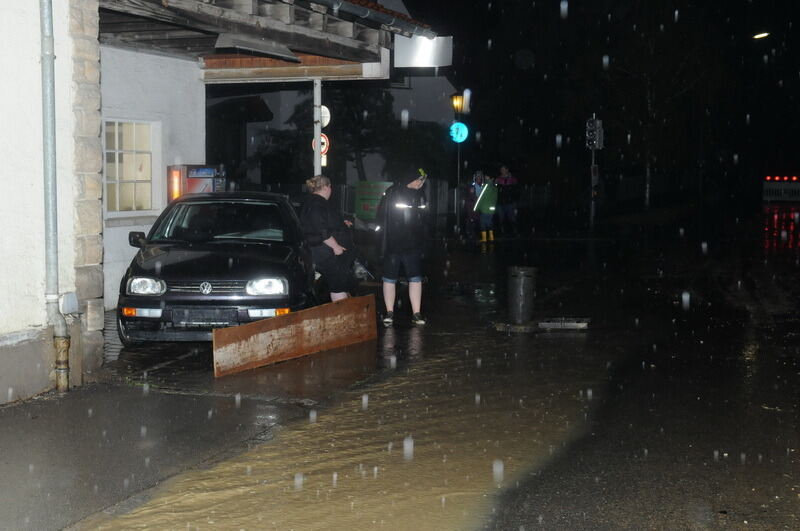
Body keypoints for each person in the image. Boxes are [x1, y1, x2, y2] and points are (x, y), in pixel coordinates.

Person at [376, 168, 428, 325]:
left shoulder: (421, 195)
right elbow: (382, 218)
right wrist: (382, 242)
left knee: (415, 278)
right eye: (420, 179)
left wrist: (423, 242)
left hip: (413, 245)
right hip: (393, 245)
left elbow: (424, 221)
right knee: (389, 279)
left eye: (423, 180)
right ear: (411, 178)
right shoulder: (392, 192)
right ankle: (389, 312)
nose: (421, 183)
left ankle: (416, 313)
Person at [299, 175, 354, 302]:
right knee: (338, 285)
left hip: (320, 249)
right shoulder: (317, 203)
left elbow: (324, 223)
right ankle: (342, 315)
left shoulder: (312, 202)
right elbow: (321, 230)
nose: (331, 190)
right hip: (324, 251)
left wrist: (341, 224)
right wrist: (336, 247)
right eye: (330, 187)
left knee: (338, 283)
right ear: (325, 187)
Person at [495, 164, 519, 236]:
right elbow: (494, 189)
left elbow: (516, 191)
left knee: (512, 218)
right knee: (501, 218)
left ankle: (514, 231)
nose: (502, 171)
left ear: (507, 170)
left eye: (503, 169)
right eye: (501, 169)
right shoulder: (498, 179)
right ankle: (502, 231)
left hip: (510, 202)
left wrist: (515, 201)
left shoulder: (512, 179)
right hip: (500, 202)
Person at [474, 172, 497, 242]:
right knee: (489, 222)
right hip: (492, 209)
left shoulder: (486, 185)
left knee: (483, 223)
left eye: (486, 176)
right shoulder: (494, 187)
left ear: (489, 178)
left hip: (485, 208)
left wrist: (476, 208)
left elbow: (480, 198)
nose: (485, 177)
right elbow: (495, 199)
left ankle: (484, 238)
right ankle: (491, 237)